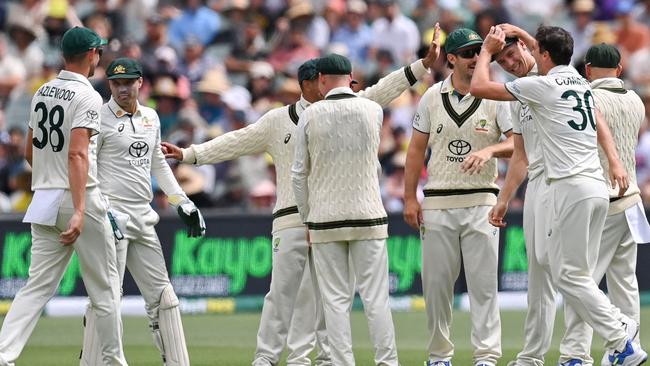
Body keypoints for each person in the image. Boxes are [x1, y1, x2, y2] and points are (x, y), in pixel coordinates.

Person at [163, 25, 443, 366]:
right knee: (282, 293)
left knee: (327, 295)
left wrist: (421, 65)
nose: (334, 87)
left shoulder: (352, 108)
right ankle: (266, 357)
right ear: (310, 83)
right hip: (291, 219)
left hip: (328, 218)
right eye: (323, 81)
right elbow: (235, 141)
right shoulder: (278, 120)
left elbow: (386, 87)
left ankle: (321, 358)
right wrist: (191, 154)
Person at [469, 24, 646, 365]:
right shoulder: (579, 82)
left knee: (568, 274)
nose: (513, 60)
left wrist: (488, 52)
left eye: (521, 52)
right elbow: (523, 153)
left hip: (566, 185)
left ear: (537, 52)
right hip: (590, 185)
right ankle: (546, 353)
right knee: (555, 267)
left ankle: (621, 335)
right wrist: (613, 161)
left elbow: (479, 86)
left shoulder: (540, 84)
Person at [0, 27, 127, 366]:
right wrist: (80, 208)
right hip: (78, 196)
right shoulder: (88, 97)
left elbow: (30, 151)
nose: (99, 57)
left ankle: (3, 355)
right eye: (98, 51)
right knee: (105, 290)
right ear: (90, 55)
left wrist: (50, 178)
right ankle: (115, 361)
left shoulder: (41, 91)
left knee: (36, 287)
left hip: (44, 197)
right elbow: (77, 155)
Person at [79, 58, 205, 366]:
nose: (122, 89)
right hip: (110, 217)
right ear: (110, 85)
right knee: (107, 298)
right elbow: (88, 165)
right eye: (116, 83)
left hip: (143, 218)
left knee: (164, 298)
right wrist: (101, 209)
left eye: (128, 82)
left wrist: (182, 201)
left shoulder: (150, 117)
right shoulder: (99, 117)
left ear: (140, 83)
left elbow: (157, 163)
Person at [403, 28, 514, 366]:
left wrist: (490, 150)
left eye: (479, 52)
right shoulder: (431, 97)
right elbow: (416, 150)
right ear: (450, 58)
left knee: (483, 286)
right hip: (438, 201)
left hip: (482, 200)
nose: (475, 59)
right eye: (467, 53)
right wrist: (410, 198)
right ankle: (439, 357)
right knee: (436, 287)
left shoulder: (496, 95)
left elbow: (517, 144)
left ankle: (486, 357)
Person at [291, 53, 397, 366]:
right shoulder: (373, 109)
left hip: (326, 219)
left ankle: (341, 363)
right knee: (376, 298)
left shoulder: (310, 115)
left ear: (321, 79)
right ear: (349, 76)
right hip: (368, 215)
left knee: (335, 301)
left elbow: (299, 174)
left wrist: (308, 218)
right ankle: (388, 362)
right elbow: (373, 166)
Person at [560, 43, 649, 366]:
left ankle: (576, 353)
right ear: (619, 70)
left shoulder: (588, 98)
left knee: (582, 281)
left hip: (602, 201)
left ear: (587, 70)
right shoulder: (636, 100)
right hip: (632, 200)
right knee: (625, 282)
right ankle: (626, 349)